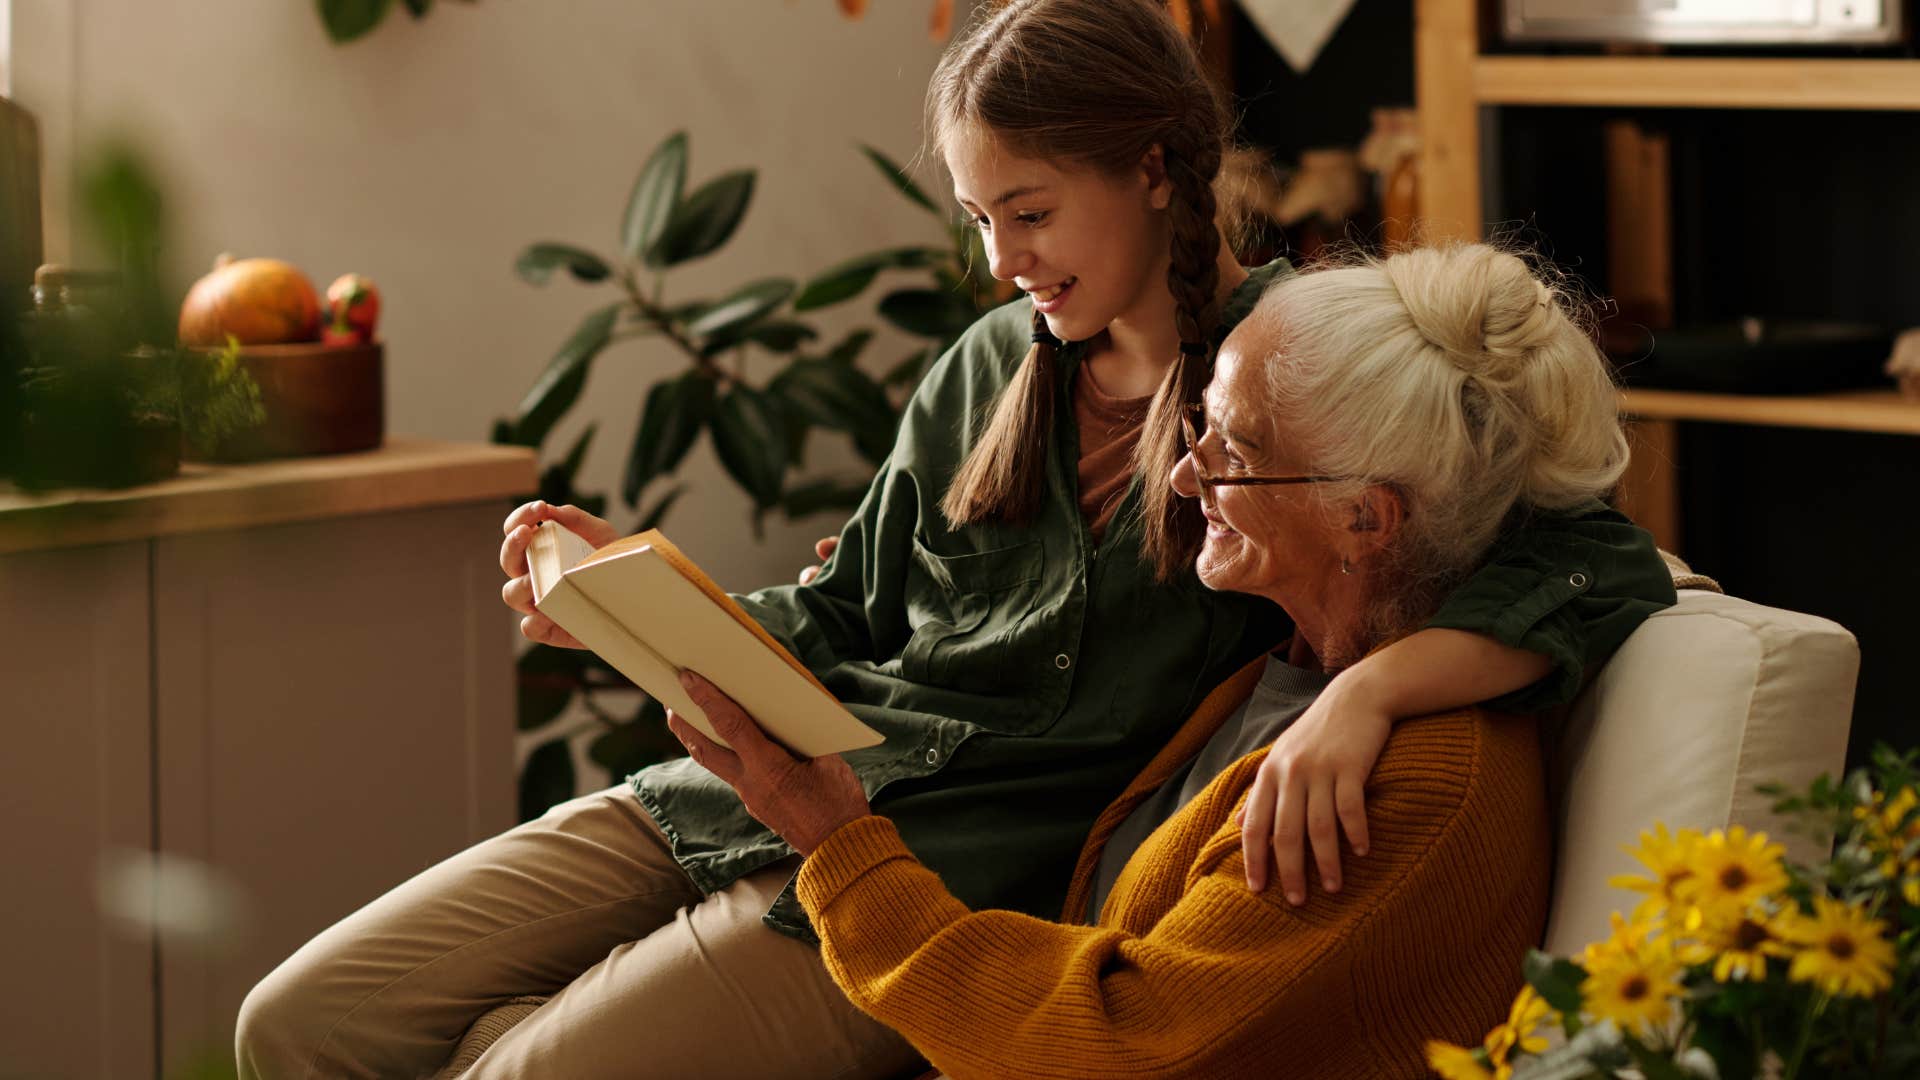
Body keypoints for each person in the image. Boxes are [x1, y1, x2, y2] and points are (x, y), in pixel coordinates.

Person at [235, 2, 1673, 1076]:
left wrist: (1373, 687)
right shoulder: (991, 367)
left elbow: (1599, 557)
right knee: (299, 1021)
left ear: (1159, 172)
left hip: (936, 872)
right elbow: (852, 619)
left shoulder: (1298, 392)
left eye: (1031, 210)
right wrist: (626, 602)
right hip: (748, 787)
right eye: (981, 215)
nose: (1001, 259)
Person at [673, 242, 1607, 1078]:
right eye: (1198, 426)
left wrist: (842, 846)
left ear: (1365, 517)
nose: (1181, 473)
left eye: (1232, 448)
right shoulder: (1289, 665)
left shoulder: (1397, 789)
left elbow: (1116, 1045)